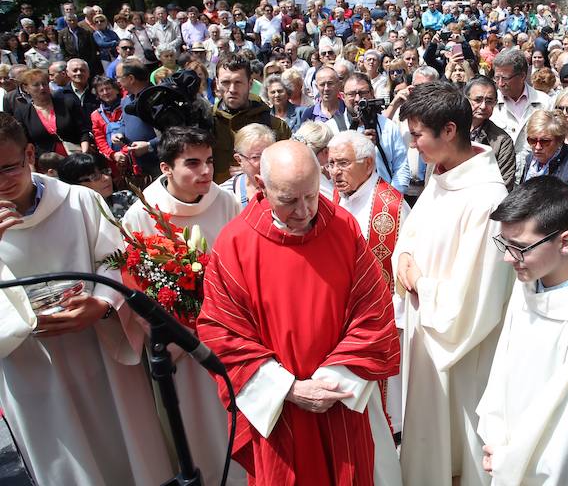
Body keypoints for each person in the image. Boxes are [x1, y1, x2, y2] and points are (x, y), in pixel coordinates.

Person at [197, 139, 401, 485]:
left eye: (310, 194)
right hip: (280, 410)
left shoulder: (342, 227)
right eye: (289, 200)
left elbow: (373, 308)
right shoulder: (235, 244)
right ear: (261, 186)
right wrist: (287, 388)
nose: (305, 211)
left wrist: (334, 380)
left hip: (339, 398)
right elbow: (222, 331)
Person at [0, 112, 172, 485]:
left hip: (99, 348)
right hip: (30, 361)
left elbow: (117, 259)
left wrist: (104, 304)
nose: (0, 183)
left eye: (8, 168)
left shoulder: (79, 201)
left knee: (128, 449)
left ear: (30, 154)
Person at [392, 81, 514, 486]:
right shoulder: (441, 173)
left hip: (458, 351)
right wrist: (404, 260)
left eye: (417, 135)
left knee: (455, 456)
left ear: (448, 130)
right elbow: (415, 235)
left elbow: (477, 296)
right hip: (423, 335)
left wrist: (417, 283)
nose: (413, 145)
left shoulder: (487, 198)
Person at [476, 176, 568, 485]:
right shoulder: (529, 286)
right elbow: (504, 371)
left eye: (519, 248)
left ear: (566, 242)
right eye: (504, 244)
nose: (507, 258)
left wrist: (509, 459)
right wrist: (495, 436)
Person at [122, 126, 243, 485]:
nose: (206, 171)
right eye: (192, 163)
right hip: (179, 342)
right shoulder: (142, 214)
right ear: (166, 168)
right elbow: (137, 282)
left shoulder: (224, 201)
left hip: (227, 334)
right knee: (192, 425)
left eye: (208, 161)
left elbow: (241, 262)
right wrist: (179, 327)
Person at [328, 129, 410, 441]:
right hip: (341, 314)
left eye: (344, 164)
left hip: (382, 316)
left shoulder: (393, 208)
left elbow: (402, 270)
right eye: (332, 163)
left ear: (368, 163)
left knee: (384, 409)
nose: (335, 172)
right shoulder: (334, 198)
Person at [325, 72, 411, 194]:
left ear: (372, 93)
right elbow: (326, 172)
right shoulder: (331, 128)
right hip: (345, 202)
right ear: (342, 96)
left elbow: (401, 167)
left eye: (362, 93)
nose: (358, 99)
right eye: (351, 94)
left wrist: (391, 198)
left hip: (384, 200)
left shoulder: (388, 126)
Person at [212, 55, 291, 182]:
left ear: (250, 83)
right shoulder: (207, 124)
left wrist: (255, 168)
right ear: (216, 83)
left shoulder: (276, 127)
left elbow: (288, 169)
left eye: (238, 82)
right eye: (226, 82)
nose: (232, 89)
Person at [490, 48, 552, 178]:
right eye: (497, 77)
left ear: (523, 76)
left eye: (505, 78)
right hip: (499, 177)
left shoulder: (544, 102)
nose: (500, 84)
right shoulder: (489, 104)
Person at [14, 68, 90, 157]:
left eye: (44, 84)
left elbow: (83, 131)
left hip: (76, 158)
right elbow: (26, 143)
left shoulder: (67, 103)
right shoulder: (22, 113)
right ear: (25, 88)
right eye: (36, 85)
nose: (42, 88)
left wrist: (84, 154)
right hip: (46, 164)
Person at [466, 76, 516, 191]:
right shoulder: (449, 131)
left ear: (495, 103)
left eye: (489, 101)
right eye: (477, 100)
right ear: (466, 99)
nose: (483, 106)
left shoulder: (502, 141)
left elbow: (505, 185)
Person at [520, 110, 568, 184]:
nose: (538, 147)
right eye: (532, 140)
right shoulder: (530, 159)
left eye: (545, 141)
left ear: (560, 140)